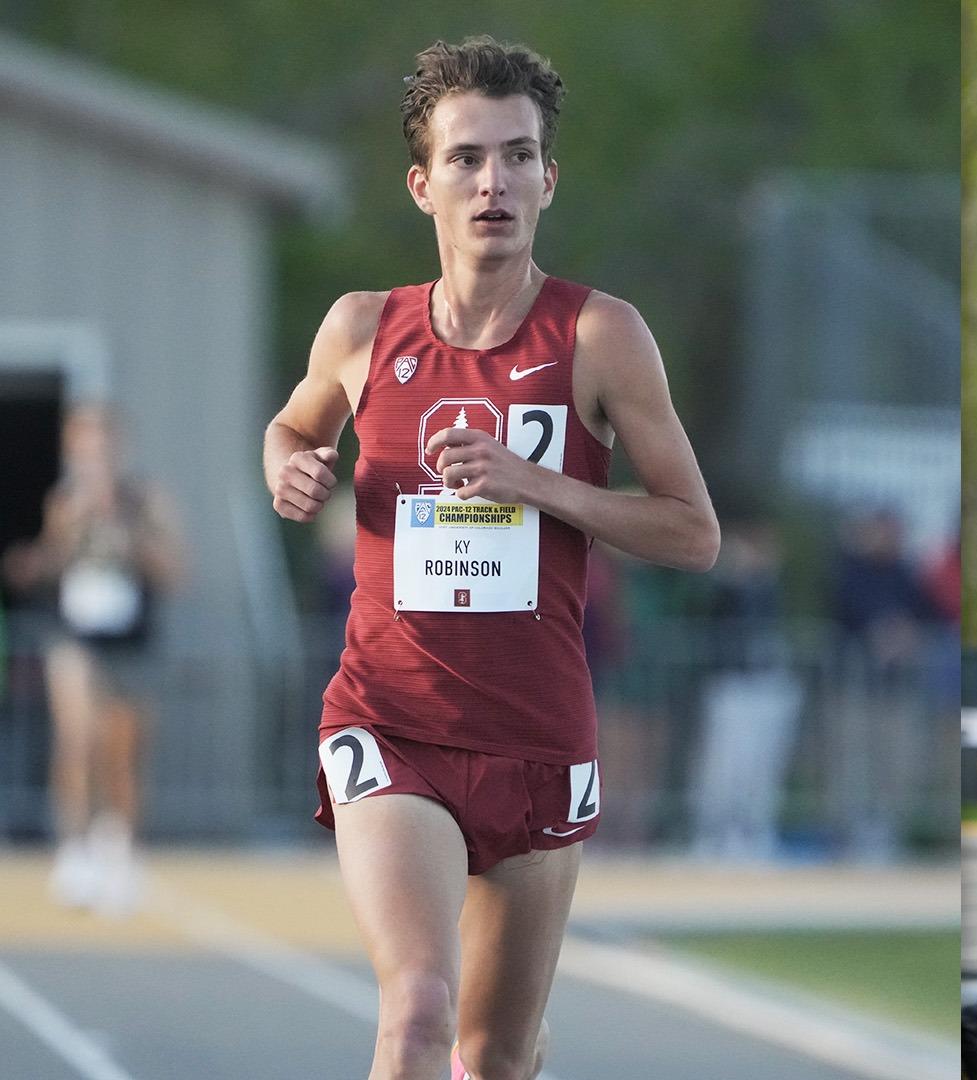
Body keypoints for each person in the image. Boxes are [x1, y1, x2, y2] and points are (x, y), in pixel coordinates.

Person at [263, 37, 719, 1080]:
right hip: (392, 717)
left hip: (536, 732)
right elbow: (290, 430)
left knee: (495, 1054)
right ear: (423, 184)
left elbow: (695, 533)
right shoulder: (362, 329)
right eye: (467, 159)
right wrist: (286, 467)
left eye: (518, 157)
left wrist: (539, 484)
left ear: (549, 178)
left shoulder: (602, 337)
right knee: (417, 1013)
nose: (494, 183)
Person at [4, 407, 181, 917]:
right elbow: (53, 560)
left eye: (102, 446)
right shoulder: (64, 501)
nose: (94, 457)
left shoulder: (145, 500)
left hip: (132, 637)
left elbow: (175, 569)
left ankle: (121, 846)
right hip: (77, 637)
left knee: (124, 749)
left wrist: (128, 531)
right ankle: (74, 847)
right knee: (78, 737)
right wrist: (34, 560)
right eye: (84, 448)